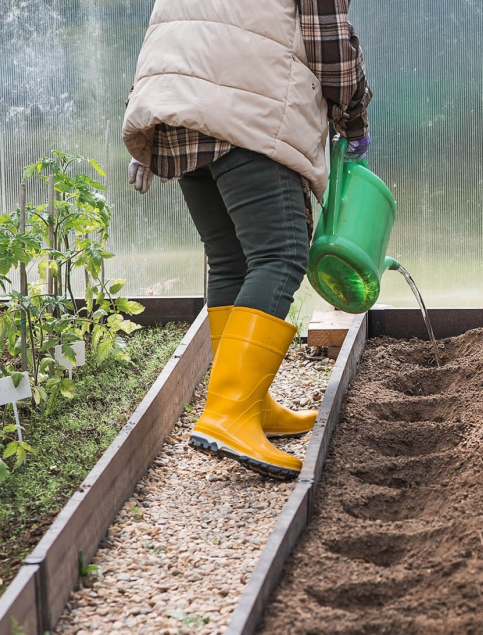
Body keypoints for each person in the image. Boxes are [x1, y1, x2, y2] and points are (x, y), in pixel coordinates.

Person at [122, 0, 372, 480]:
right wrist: (355, 114)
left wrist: (146, 121)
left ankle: (249, 403)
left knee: (232, 261)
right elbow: (329, 41)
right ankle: (230, 414)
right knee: (280, 256)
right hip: (244, 108)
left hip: (175, 113)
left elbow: (172, 30)